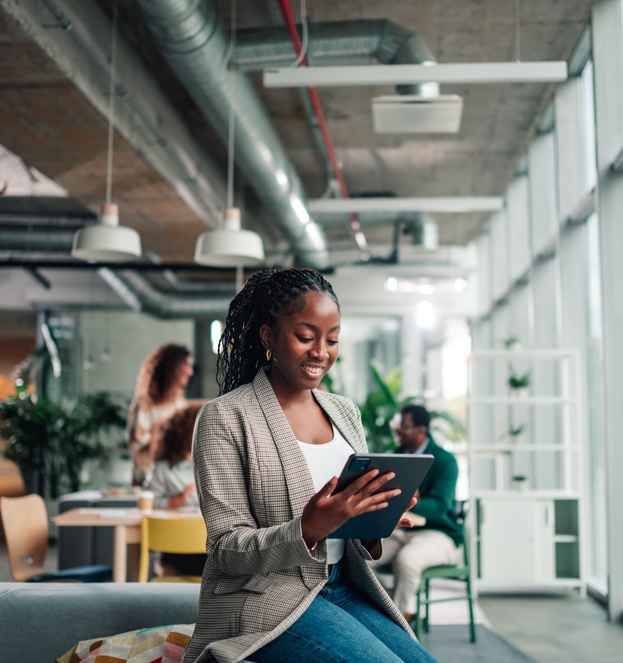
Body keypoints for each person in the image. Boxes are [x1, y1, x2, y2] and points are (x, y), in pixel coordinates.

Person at [182, 268, 438, 663]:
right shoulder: (225, 417)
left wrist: (374, 518)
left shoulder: (344, 412)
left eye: (332, 339)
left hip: (343, 586)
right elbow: (225, 550)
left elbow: (348, 534)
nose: (321, 351)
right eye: (306, 337)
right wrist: (307, 528)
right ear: (269, 337)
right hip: (268, 598)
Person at [369, 404, 462, 622]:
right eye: (398, 425)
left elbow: (440, 507)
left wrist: (411, 499)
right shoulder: (398, 455)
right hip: (401, 530)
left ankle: (395, 624)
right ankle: (390, 610)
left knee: (407, 561)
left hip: (439, 534)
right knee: (360, 557)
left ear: (421, 429)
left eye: (404, 426)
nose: (398, 430)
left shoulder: (445, 461)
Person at [145, 401, 207, 576]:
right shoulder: (163, 468)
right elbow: (149, 504)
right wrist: (174, 501)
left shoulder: (215, 463)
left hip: (209, 547)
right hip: (174, 549)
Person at [125, 344, 196, 485]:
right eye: (185, 365)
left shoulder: (180, 404)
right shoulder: (145, 403)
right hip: (149, 484)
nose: (190, 372)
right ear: (171, 368)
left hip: (177, 483)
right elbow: (136, 442)